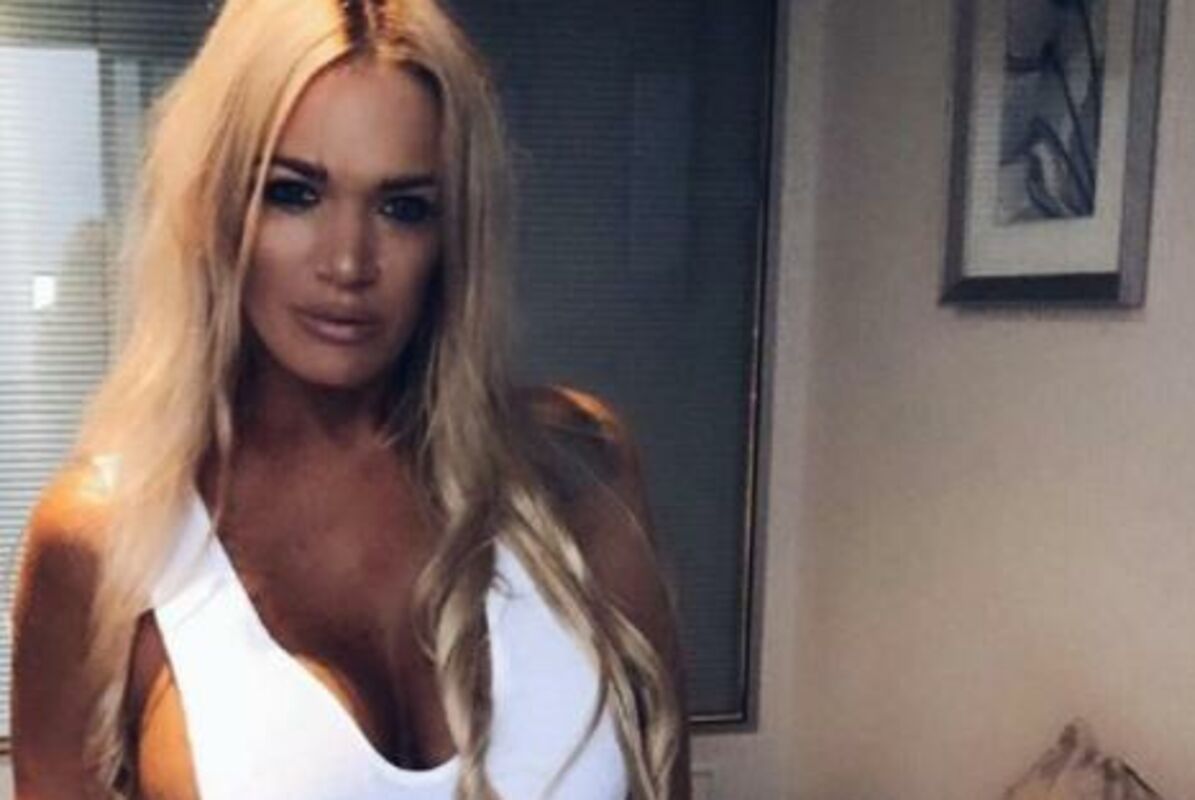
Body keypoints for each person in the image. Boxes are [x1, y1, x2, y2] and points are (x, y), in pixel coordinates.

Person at [10, 0, 689, 797]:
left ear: (452, 234)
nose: (347, 262)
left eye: (403, 208)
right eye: (293, 193)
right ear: (216, 206)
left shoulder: (575, 471)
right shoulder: (104, 539)